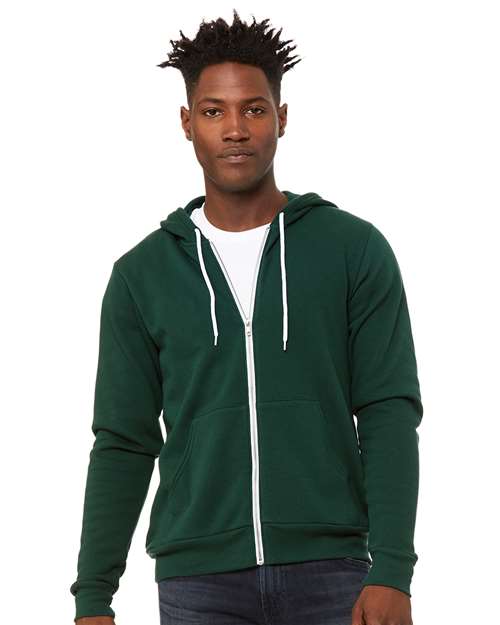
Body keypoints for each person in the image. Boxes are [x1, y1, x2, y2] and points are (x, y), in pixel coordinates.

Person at [70, 9, 423, 625]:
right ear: (187, 123)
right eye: (214, 112)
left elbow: (388, 409)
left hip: (333, 572)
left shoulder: (351, 249)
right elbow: (123, 440)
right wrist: (94, 595)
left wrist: (393, 568)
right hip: (197, 580)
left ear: (281, 117)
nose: (235, 129)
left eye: (253, 110)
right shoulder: (141, 275)